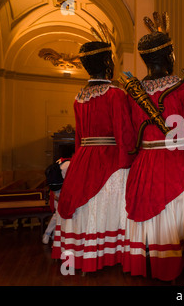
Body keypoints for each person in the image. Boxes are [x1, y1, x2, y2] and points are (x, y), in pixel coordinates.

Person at [122, 12, 184, 282]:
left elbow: (131, 135)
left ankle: (149, 261)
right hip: (179, 163)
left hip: (146, 164)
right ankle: (179, 264)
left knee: (147, 216)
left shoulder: (132, 93)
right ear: (170, 56)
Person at [51, 39, 136, 273]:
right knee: (108, 206)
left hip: (83, 157)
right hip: (110, 158)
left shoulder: (79, 97)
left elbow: (79, 137)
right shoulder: (115, 94)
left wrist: (78, 159)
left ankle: (82, 253)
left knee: (83, 205)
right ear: (108, 63)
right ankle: (107, 254)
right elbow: (124, 133)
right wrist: (129, 161)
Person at [42, 156, 71, 245]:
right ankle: (48, 234)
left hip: (55, 190)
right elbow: (69, 181)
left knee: (58, 214)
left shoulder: (60, 162)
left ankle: (54, 235)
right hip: (61, 191)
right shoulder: (68, 164)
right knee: (58, 214)